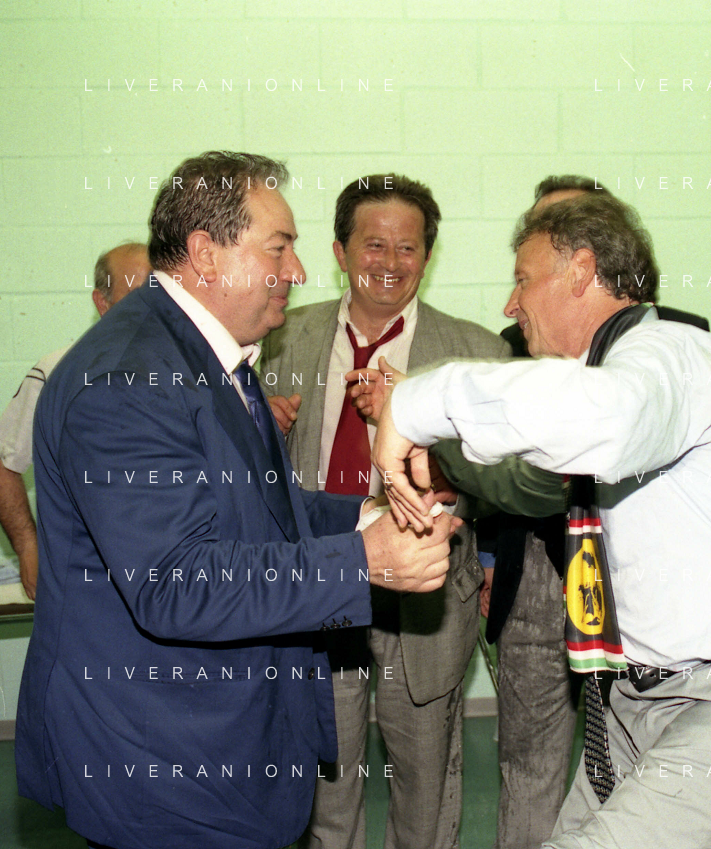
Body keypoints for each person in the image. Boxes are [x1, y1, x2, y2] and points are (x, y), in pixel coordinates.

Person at [368, 193, 711, 849]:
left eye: (522, 280)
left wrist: (415, 400)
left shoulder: (676, 355)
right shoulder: (613, 384)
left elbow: (606, 420)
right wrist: (439, 453)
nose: (510, 305)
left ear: (580, 270)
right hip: (652, 696)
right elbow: (531, 480)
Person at [14, 152, 456, 849]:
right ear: (205, 255)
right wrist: (361, 561)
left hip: (217, 737)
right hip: (163, 759)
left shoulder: (209, 357)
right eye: (278, 248)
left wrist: (370, 514)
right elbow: (176, 581)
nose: (299, 271)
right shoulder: (129, 378)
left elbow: (261, 508)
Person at [261, 173, 509, 849]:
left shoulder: (477, 352)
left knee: (425, 775)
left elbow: (506, 481)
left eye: (408, 247)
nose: (390, 262)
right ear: (340, 252)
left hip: (427, 589)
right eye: (373, 245)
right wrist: (261, 431)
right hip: (322, 577)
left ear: (427, 255)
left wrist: (439, 452)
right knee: (326, 768)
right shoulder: (279, 339)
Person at [0, 242, 149, 599]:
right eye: (137, 296)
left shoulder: (197, 373)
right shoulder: (59, 372)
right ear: (103, 304)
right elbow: (0, 461)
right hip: (87, 586)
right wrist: (28, 547)